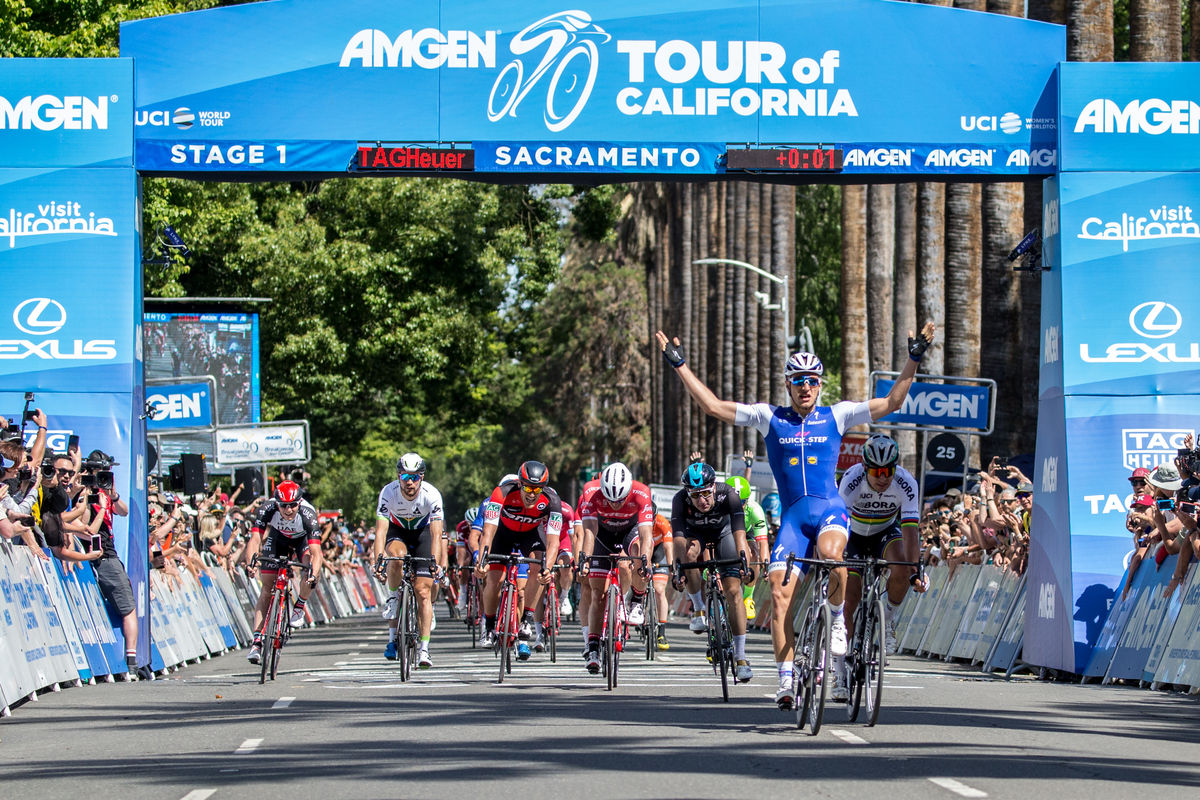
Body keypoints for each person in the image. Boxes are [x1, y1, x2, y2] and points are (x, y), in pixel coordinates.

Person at [655, 321, 935, 709]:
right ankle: (786, 680)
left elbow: (891, 404)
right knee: (779, 590)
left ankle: (837, 619)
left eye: (813, 380)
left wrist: (914, 358)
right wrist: (680, 365)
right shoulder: (770, 417)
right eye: (798, 380)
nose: (806, 387)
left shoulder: (837, 415)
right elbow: (714, 406)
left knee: (834, 553)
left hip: (829, 510)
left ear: (820, 385)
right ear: (788, 384)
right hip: (792, 520)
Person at [837, 433, 926, 697]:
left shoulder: (906, 482)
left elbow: (911, 530)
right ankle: (839, 672)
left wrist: (915, 569)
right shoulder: (851, 480)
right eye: (877, 471)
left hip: (884, 532)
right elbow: (838, 525)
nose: (883, 477)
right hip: (852, 534)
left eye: (889, 470)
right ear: (865, 468)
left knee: (901, 567)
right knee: (849, 597)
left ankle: (887, 617)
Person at [672, 462, 754, 683]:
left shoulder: (728, 495)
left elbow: (739, 534)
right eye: (696, 495)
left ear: (714, 488)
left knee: (734, 592)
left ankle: (741, 656)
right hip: (695, 534)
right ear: (688, 493)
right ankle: (699, 610)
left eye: (706, 494)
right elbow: (678, 539)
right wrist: (677, 569)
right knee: (689, 555)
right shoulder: (680, 500)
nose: (702, 501)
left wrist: (744, 563)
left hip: (724, 533)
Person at [473, 461, 561, 661]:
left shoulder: (552, 501)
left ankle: (526, 619)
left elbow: (553, 541)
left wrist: (547, 568)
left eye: (537, 488)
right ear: (520, 483)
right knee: (494, 578)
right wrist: (482, 560)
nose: (532, 493)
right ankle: (488, 625)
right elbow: (487, 532)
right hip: (502, 534)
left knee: (539, 567)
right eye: (528, 487)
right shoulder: (501, 493)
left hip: (531, 534)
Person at [577, 462, 653, 674]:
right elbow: (589, 531)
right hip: (602, 534)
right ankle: (592, 647)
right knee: (598, 594)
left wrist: (645, 562)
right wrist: (584, 558)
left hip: (630, 531)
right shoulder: (591, 492)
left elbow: (647, 534)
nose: (616, 504)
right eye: (611, 500)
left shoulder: (641, 492)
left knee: (636, 556)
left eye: (620, 499)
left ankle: (636, 599)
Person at [373, 453, 445, 668]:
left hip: (423, 533)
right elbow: (380, 531)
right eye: (405, 477)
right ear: (398, 476)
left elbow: (436, 534)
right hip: (398, 531)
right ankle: (394, 597)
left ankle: (424, 650)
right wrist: (379, 561)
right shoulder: (388, 492)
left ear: (421, 477)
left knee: (423, 591)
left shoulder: (432, 495)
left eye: (415, 477)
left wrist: (435, 563)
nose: (410, 482)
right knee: (396, 557)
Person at [247, 480, 323, 665]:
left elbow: (317, 553)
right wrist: (251, 562)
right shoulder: (267, 508)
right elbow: (255, 538)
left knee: (310, 568)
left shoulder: (308, 514)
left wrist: (312, 573)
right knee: (266, 588)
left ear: (299, 502)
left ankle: (299, 606)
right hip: (277, 539)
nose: (288, 510)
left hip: (302, 541)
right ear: (276, 503)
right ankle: (256, 641)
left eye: (292, 505)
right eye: (284, 506)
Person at [725, 475, 768, 622]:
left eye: (741, 502)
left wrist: (765, 565)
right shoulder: (718, 507)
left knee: (754, 553)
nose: (737, 506)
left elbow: (763, 542)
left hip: (746, 531)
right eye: (732, 502)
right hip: (724, 532)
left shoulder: (755, 510)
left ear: (748, 500)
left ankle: (748, 597)